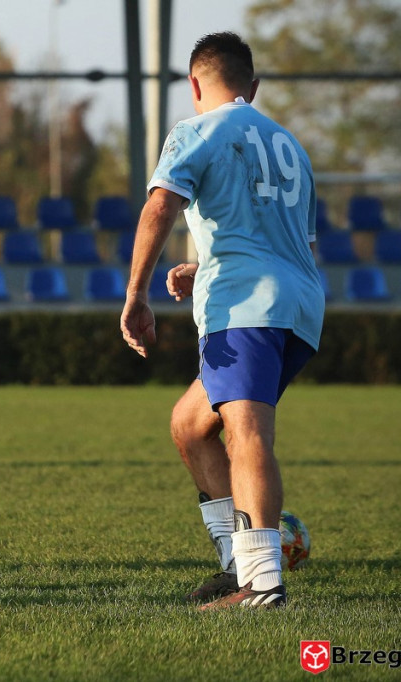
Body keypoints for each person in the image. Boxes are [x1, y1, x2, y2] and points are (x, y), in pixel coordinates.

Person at [120, 32, 324, 610]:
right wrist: (201, 265)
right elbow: (287, 242)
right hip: (299, 305)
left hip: (245, 308)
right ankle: (242, 565)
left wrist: (136, 293)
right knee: (190, 425)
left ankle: (262, 584)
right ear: (252, 87)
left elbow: (160, 204)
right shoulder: (291, 146)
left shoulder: (196, 131)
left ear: (193, 84)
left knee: (247, 433)